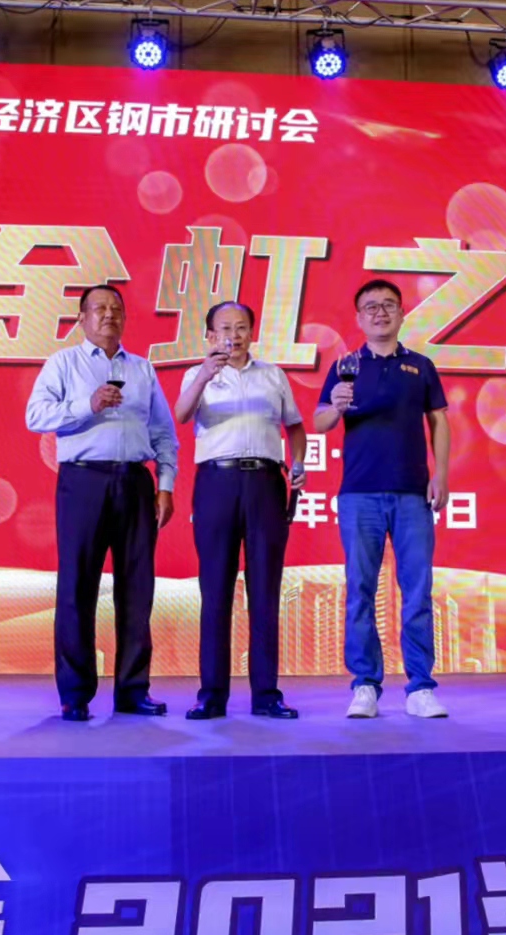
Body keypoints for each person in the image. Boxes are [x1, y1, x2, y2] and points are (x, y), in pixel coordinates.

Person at [25, 285, 178, 721]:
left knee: (137, 590)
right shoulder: (63, 363)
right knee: (77, 587)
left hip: (134, 482)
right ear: (82, 318)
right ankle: (75, 694)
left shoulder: (142, 369)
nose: (109, 315)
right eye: (99, 308)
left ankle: (132, 690)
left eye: (116, 309)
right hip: (83, 481)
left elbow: (164, 433)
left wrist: (165, 485)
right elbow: (35, 416)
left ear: (125, 318)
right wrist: (86, 404)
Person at [314, 279, 450, 719]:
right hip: (359, 494)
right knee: (360, 590)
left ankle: (420, 687)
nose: (380, 312)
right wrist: (336, 406)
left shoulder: (420, 366)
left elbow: (439, 421)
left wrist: (441, 474)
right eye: (370, 306)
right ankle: (365, 685)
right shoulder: (346, 365)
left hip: (412, 493)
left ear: (402, 314)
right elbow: (319, 422)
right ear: (359, 318)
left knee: (417, 592)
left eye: (388, 305)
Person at [174, 301, 308, 721]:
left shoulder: (272, 375)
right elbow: (181, 415)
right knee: (215, 590)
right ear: (210, 335)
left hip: (266, 483)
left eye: (242, 328)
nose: (234, 336)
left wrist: (298, 463)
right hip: (217, 482)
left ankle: (266, 694)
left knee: (265, 590)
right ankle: (211, 695)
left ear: (252, 332)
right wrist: (204, 375)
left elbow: (295, 425)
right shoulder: (197, 375)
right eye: (225, 329)